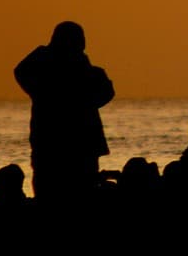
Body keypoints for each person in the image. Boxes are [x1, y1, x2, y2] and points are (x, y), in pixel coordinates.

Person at [13, 21, 116, 203]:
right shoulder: (54, 66)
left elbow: (106, 92)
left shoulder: (81, 69)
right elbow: (21, 71)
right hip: (57, 146)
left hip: (69, 145)